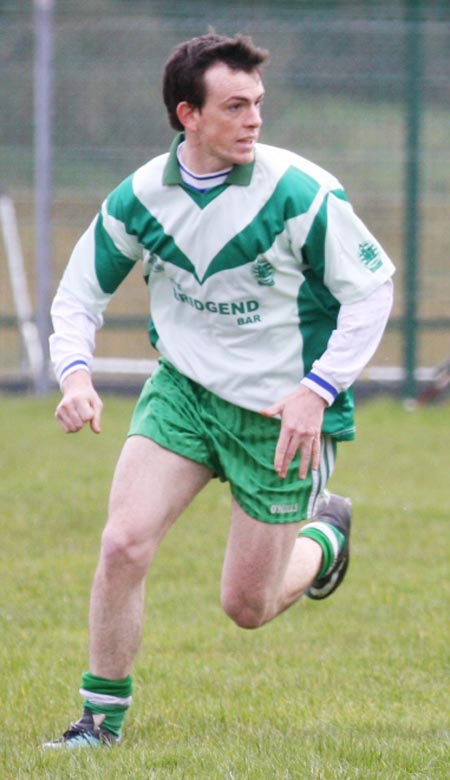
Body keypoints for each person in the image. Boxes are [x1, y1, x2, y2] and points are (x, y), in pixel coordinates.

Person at [44, 32, 394, 748]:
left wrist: (318, 390)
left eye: (258, 104)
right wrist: (74, 374)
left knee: (247, 606)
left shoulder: (299, 192)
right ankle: (99, 725)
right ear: (188, 115)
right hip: (184, 393)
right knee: (122, 546)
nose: (254, 119)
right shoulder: (141, 198)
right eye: (235, 106)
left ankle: (325, 538)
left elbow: (372, 292)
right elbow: (78, 295)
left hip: (281, 413)